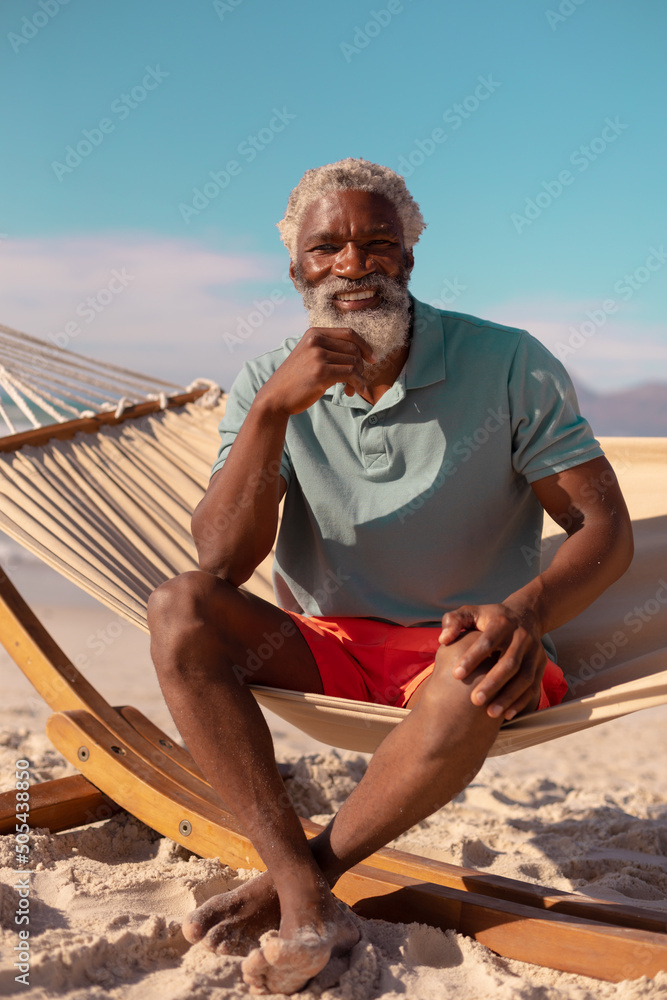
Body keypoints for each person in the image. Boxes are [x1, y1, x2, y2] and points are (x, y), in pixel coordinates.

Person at [147, 158, 634, 994]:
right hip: (325, 643)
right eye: (327, 247)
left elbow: (603, 527)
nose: (353, 265)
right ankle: (304, 892)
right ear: (296, 267)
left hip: (469, 646)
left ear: (408, 256)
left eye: (378, 243)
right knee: (178, 608)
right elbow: (223, 562)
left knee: (472, 672)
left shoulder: (509, 362)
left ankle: (298, 883)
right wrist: (271, 413)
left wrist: (523, 612)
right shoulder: (267, 381)